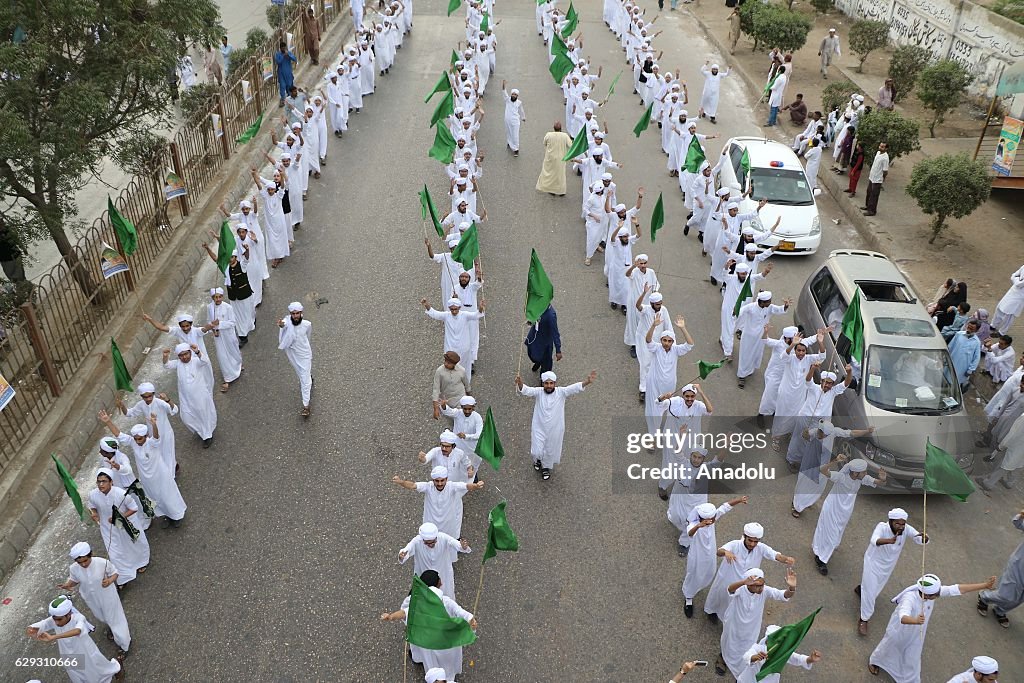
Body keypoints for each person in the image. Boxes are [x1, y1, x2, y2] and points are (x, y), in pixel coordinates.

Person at [868, 573, 996, 680]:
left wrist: (984, 585)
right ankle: (875, 661)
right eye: (936, 594)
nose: (939, 595)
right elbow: (903, 617)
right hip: (899, 632)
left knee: (913, 658)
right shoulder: (910, 598)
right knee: (888, 647)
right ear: (927, 594)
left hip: (917, 634)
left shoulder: (932, 593)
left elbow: (956, 589)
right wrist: (915, 621)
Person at [380, 569, 477, 680]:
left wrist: (470, 619)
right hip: (429, 644)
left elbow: (459, 611)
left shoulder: (446, 601)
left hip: (446, 642)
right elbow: (405, 613)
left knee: (447, 666)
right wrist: (391, 616)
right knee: (432, 666)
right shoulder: (422, 607)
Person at [101, 412, 187, 528]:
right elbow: (119, 434)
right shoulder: (133, 442)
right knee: (155, 498)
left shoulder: (152, 443)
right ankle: (166, 515)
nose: (137, 441)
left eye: (140, 438)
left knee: (167, 496)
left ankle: (177, 515)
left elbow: (156, 437)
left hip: (161, 476)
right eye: (135, 439)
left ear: (146, 436)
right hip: (147, 479)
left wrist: (154, 425)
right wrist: (108, 421)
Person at [704, 523, 796, 624]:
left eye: (755, 541)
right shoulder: (735, 544)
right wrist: (726, 552)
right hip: (727, 577)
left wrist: (786, 559)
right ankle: (711, 611)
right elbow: (719, 551)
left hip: (747, 583)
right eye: (750, 540)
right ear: (744, 536)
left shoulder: (761, 548)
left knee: (735, 604)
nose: (752, 544)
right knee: (720, 595)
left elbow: (775, 555)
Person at [515, 369, 598, 481]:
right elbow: (526, 390)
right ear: (543, 384)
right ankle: (538, 459)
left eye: (551, 383)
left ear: (554, 383)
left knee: (550, 449)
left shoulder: (561, 392)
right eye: (546, 383)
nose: (549, 386)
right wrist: (520, 383)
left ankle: (546, 468)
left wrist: (587, 382)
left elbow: (574, 388)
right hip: (539, 427)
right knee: (536, 451)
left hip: (555, 429)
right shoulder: (538, 392)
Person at [856, 508, 928, 635]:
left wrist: (924, 538)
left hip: (887, 566)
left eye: (902, 524)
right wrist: (888, 541)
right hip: (872, 563)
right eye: (897, 524)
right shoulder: (882, 527)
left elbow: (918, 539)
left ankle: (861, 590)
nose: (900, 526)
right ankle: (864, 619)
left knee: (875, 588)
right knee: (871, 590)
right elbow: (874, 540)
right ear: (890, 521)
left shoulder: (906, 529)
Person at [718, 567, 797, 678]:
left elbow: (783, 595)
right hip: (735, 624)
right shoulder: (741, 589)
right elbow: (730, 589)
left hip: (752, 627)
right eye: (757, 585)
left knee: (747, 647)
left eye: (762, 585)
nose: (761, 588)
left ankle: (742, 670)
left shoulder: (765, 591)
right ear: (749, 585)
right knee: (730, 643)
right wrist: (743, 582)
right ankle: (723, 658)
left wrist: (791, 588)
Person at [811, 457, 884, 575]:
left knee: (834, 534)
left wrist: (882, 479)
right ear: (855, 473)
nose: (866, 474)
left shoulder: (861, 479)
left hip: (844, 512)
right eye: (864, 471)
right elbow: (822, 470)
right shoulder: (841, 477)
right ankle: (821, 560)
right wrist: (834, 461)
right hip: (832, 509)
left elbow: (877, 482)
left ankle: (821, 550)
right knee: (831, 535)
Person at [26, 596, 123, 683]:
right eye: (54, 619)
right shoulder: (56, 620)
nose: (56, 622)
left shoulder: (78, 618)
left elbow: (77, 631)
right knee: (78, 674)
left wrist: (53, 637)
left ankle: (117, 668)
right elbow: (44, 623)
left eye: (59, 619)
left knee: (96, 669)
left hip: (85, 652)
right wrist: (32, 628)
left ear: (68, 615)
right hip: (68, 654)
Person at [59, 542, 131, 656]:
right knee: (101, 616)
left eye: (85, 561)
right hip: (91, 599)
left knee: (116, 619)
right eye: (80, 562)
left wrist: (109, 581)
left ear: (90, 554)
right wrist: (67, 585)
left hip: (108, 597)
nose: (83, 564)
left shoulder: (102, 562)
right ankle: (114, 629)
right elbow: (75, 579)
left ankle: (124, 644)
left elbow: (115, 573)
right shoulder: (74, 569)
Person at [681, 497, 747, 617]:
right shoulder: (694, 524)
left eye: (713, 519)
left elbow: (724, 507)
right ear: (701, 519)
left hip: (710, 554)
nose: (712, 521)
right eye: (709, 520)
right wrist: (699, 526)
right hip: (697, 557)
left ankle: (699, 586)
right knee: (694, 575)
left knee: (709, 573)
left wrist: (739, 500)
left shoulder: (711, 519)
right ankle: (688, 597)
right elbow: (690, 533)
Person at [87, 469, 150, 587]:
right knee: (115, 553)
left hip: (127, 526)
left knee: (134, 545)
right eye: (99, 482)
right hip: (108, 529)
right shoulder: (93, 495)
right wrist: (94, 514)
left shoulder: (121, 494)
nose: (101, 485)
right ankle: (123, 577)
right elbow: (92, 506)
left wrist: (119, 517)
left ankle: (141, 562)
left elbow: (134, 508)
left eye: (104, 481)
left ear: (111, 482)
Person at [392, 466, 484, 539]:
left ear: (446, 479)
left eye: (442, 480)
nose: (439, 483)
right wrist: (401, 482)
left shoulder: (452, 486)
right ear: (433, 480)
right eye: (437, 481)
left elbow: (466, 486)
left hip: (448, 523)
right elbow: (413, 485)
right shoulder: (428, 487)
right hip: (431, 521)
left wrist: (475, 486)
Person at [115, 382, 179, 476]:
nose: (148, 399)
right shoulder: (141, 405)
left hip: (166, 434)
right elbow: (129, 413)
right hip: (153, 437)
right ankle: (174, 467)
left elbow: (174, 410)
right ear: (141, 396)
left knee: (168, 455)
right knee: (158, 456)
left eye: (150, 396)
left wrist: (167, 400)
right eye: (145, 397)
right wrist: (122, 406)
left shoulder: (159, 402)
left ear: (153, 394)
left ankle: (170, 477)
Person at [162, 343, 216, 447]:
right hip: (186, 397)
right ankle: (201, 429)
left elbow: (205, 361)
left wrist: (198, 351)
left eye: (186, 354)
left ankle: (207, 435)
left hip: (200, 395)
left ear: (190, 353)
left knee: (203, 414)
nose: (184, 357)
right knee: (186, 417)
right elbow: (166, 365)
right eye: (181, 355)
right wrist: (165, 357)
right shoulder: (178, 364)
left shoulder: (196, 361)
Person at [977, 511, 1024, 627]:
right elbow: (1018, 523)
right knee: (1006, 594)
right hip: (1018, 568)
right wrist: (1022, 515)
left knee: (1019, 599)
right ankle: (984, 597)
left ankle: (1000, 609)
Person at [399, 522, 470, 599]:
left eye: (433, 542)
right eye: (427, 543)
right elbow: (407, 550)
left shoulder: (443, 537)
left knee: (446, 597)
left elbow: (456, 544)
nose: (430, 545)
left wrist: (463, 547)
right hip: (425, 576)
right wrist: (402, 556)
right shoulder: (417, 541)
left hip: (443, 575)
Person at [422, 297, 485, 382]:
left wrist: (481, 307)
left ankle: (465, 385)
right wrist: (427, 305)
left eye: (456, 309)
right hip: (450, 347)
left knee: (464, 366)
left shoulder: (465, 315)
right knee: (451, 367)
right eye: (452, 309)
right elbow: (435, 313)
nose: (454, 311)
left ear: (459, 307)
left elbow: (476, 315)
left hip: (464, 347)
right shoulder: (446, 316)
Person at [735, 292, 790, 388]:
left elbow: (779, 310)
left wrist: (785, 306)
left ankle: (749, 370)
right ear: (763, 302)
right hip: (748, 337)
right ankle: (742, 376)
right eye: (768, 301)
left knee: (756, 354)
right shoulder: (751, 307)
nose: (770, 302)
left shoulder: (769, 307)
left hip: (761, 337)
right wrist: (735, 311)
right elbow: (741, 310)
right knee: (745, 355)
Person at [737, 624, 821, 682]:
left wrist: (810, 659)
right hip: (748, 680)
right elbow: (746, 656)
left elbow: (797, 659)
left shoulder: (782, 653)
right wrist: (754, 657)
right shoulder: (758, 648)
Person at [202, 286, 244, 393]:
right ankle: (228, 378)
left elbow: (232, 322)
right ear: (212, 298)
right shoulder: (209, 307)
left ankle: (238, 366)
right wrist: (213, 329)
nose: (218, 299)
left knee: (233, 352)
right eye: (216, 297)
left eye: (220, 297)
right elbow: (208, 320)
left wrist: (219, 324)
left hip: (229, 335)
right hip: (219, 337)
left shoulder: (228, 307)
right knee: (222, 356)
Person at [278, 302, 314, 417]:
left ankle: (306, 406)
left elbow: (308, 336)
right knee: (302, 374)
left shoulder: (307, 324)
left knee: (304, 380)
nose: (295, 316)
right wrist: (282, 326)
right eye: (293, 314)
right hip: (293, 354)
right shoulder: (287, 322)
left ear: (301, 313)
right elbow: (284, 325)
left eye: (297, 313)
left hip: (305, 355)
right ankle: (309, 378)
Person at [536, 121, 574, 195]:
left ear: (553, 128)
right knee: (560, 175)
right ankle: (561, 191)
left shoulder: (549, 135)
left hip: (550, 158)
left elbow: (544, 143)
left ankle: (551, 190)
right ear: (561, 128)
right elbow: (571, 145)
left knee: (551, 174)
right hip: (561, 158)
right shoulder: (565, 136)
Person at [525, 304, 562, 374]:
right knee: (531, 354)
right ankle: (538, 362)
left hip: (544, 343)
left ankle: (543, 381)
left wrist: (558, 350)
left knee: (546, 366)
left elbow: (555, 333)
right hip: (534, 337)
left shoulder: (551, 316)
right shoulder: (538, 306)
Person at [432, 351, 470, 419]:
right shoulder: (439, 371)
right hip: (447, 401)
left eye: (449, 363)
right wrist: (436, 409)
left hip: (460, 399)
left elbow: (466, 384)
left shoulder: (461, 371)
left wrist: (469, 398)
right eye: (445, 361)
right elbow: (436, 390)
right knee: (452, 420)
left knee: (463, 418)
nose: (445, 364)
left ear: (454, 364)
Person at [949, 320, 982, 391]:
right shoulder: (959, 334)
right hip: (952, 362)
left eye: (972, 329)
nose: (969, 330)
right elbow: (950, 347)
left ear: (976, 330)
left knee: (957, 384)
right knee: (947, 379)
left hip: (963, 368)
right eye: (968, 327)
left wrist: (970, 370)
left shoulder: (977, 342)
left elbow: (976, 358)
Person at [992, 264, 1024, 334]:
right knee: (999, 307)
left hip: (1020, 296)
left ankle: (1002, 332)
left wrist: (1015, 278)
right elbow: (1013, 275)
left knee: (1009, 314)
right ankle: (993, 325)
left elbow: (1019, 284)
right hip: (1012, 291)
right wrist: (1016, 279)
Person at [862, 142, 889, 216]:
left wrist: (883, 179)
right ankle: (867, 206)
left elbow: (885, 171)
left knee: (874, 195)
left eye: (883, 147)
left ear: (886, 149)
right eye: (880, 146)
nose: (880, 147)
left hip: (877, 179)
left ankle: (872, 211)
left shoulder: (885, 158)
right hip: (872, 177)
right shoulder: (878, 153)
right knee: (869, 192)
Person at [501, 81, 526, 156]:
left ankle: (516, 149)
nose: (514, 96)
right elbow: (504, 92)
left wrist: (523, 117)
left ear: (517, 96)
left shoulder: (519, 102)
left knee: (515, 134)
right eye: (513, 94)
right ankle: (509, 142)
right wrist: (503, 85)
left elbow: (521, 110)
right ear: (511, 94)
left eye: (515, 95)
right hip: (507, 120)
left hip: (515, 121)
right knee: (509, 132)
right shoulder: (508, 100)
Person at [274, 41, 298, 106]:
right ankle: (282, 99)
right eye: (282, 48)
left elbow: (295, 59)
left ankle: (290, 98)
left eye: (285, 48)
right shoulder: (278, 54)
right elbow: (278, 62)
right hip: (281, 74)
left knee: (289, 85)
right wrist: (283, 56)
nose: (284, 49)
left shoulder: (289, 53)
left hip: (288, 73)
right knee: (282, 86)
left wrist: (289, 55)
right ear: (280, 48)